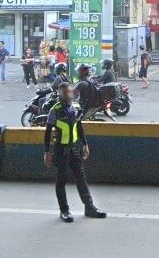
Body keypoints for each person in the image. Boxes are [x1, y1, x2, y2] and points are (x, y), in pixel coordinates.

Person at [43, 81, 106, 223]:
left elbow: (79, 127)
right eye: (65, 93)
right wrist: (47, 152)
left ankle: (89, 207)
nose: (68, 95)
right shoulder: (55, 110)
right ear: (59, 94)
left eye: (70, 92)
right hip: (60, 149)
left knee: (81, 177)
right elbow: (47, 133)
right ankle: (64, 210)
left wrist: (85, 144)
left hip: (73, 148)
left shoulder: (76, 108)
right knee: (61, 180)